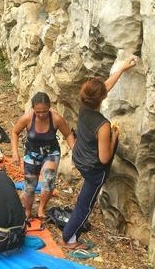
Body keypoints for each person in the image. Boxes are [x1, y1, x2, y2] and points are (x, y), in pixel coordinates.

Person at [61, 56, 137, 249]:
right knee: (85, 205)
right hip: (94, 170)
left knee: (83, 201)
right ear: (101, 99)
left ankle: (71, 232)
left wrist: (121, 69)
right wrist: (114, 136)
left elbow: (104, 87)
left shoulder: (84, 105)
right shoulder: (103, 125)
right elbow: (104, 157)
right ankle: (69, 238)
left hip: (79, 157)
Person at [11, 92, 75, 219]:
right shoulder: (28, 118)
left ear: (49, 108)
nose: (41, 114)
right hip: (32, 153)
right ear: (32, 109)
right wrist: (15, 153)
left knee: (49, 180)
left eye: (44, 111)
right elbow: (14, 132)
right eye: (38, 111)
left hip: (51, 152)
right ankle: (28, 210)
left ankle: (41, 208)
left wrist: (75, 151)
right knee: (30, 185)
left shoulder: (56, 119)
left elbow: (68, 134)